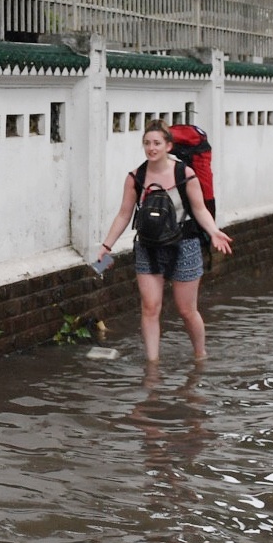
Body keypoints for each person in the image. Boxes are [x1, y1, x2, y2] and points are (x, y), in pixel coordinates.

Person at [97, 122, 235, 363]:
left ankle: (200, 356)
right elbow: (124, 214)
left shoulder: (185, 174)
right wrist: (106, 247)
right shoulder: (135, 177)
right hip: (148, 247)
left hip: (185, 244)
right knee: (150, 308)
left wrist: (214, 232)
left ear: (168, 146)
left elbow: (199, 209)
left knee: (186, 310)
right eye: (147, 143)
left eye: (157, 143)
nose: (151, 148)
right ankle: (153, 365)